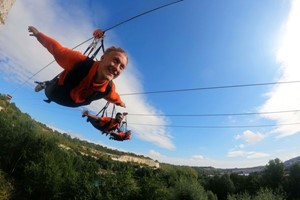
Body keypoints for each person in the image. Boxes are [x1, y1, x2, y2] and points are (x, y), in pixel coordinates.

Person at [28, 26, 127, 108]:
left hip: (72, 102)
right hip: (55, 92)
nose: (117, 68)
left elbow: (113, 97)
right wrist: (39, 35)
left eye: (122, 67)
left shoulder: (109, 88)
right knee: (49, 91)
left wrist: (120, 103)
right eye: (115, 60)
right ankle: (46, 84)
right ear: (102, 58)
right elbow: (57, 50)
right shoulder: (80, 61)